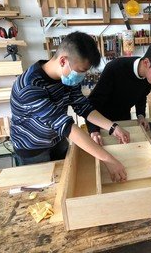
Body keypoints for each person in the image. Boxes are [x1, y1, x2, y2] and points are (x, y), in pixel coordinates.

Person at [10, 31, 130, 183]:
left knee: (65, 179)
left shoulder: (67, 78)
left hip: (57, 139)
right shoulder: (29, 87)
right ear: (63, 61)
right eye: (80, 71)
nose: (81, 77)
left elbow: (83, 107)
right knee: (43, 189)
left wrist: (113, 127)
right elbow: (65, 126)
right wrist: (109, 159)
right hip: (32, 148)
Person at [86, 41, 151, 145]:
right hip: (101, 122)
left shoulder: (149, 77)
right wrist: (93, 130)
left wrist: (140, 115)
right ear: (146, 63)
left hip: (124, 120)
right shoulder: (114, 68)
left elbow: (141, 95)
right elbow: (92, 103)